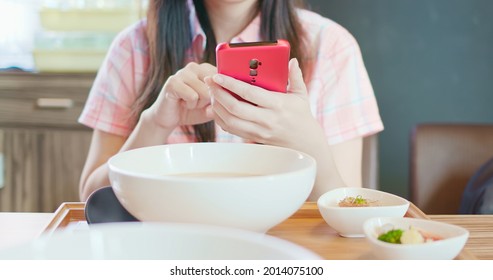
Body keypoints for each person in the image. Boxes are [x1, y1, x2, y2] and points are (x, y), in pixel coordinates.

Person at [78, 0, 384, 201]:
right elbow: (91, 198)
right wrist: (154, 123)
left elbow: (348, 211)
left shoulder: (329, 46)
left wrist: (308, 142)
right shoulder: (132, 48)